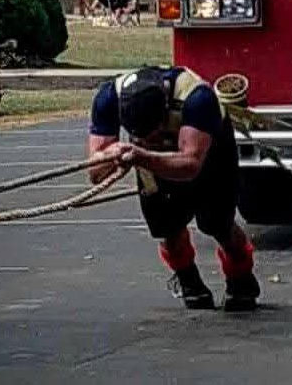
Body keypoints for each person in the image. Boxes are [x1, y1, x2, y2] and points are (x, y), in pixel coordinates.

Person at [87, 66, 261, 311]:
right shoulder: (108, 98)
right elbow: (95, 174)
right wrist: (110, 154)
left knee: (218, 224)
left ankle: (241, 276)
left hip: (208, 155)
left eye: (153, 133)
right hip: (149, 161)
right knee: (166, 227)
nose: (150, 139)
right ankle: (189, 280)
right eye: (140, 135)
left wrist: (141, 154)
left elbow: (191, 165)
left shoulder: (198, 99)